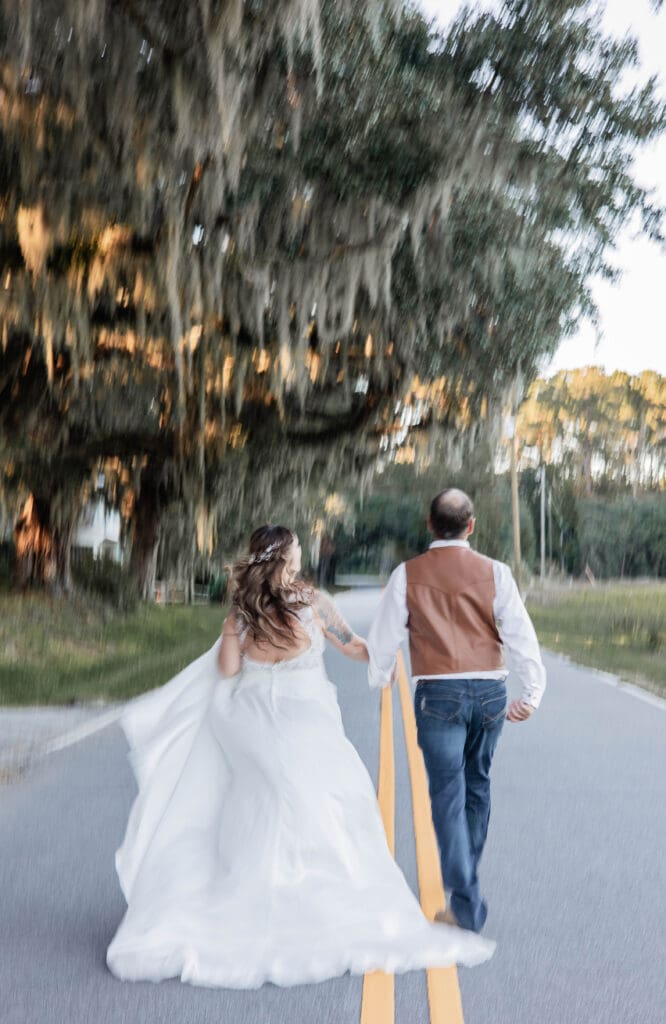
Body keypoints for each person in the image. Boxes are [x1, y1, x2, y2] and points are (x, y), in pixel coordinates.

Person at [106, 524, 495, 989]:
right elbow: (353, 645)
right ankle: (317, 894)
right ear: (288, 559)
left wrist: (234, 635)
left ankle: (249, 892)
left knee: (259, 798)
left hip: (249, 721)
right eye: (297, 550)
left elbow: (227, 671)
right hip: (305, 717)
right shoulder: (313, 603)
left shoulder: (241, 614)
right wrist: (386, 661)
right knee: (329, 795)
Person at [367, 489, 546, 934]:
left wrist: (381, 675)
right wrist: (533, 692)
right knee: (477, 785)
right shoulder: (496, 573)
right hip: (489, 693)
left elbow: (384, 640)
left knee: (447, 794)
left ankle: (465, 896)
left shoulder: (407, 575)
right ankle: (464, 874)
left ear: (430, 524)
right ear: (471, 525)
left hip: (438, 696)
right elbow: (521, 634)